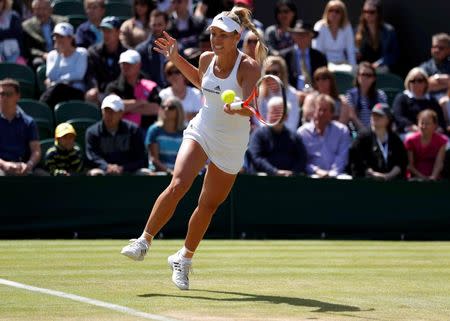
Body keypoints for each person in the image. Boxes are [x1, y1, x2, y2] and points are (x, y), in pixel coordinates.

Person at [121, 7, 266, 290]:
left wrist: (238, 108)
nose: (215, 40)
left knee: (207, 205)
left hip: (232, 143)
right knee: (179, 183)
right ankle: (143, 241)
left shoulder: (249, 67)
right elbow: (203, 84)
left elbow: (252, 108)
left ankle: (183, 259)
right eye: (213, 34)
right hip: (203, 129)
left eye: (222, 36)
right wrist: (175, 58)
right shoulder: (205, 58)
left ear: (236, 37)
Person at [85, 94, 149, 176]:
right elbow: (92, 156)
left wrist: (123, 168)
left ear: (121, 113)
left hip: (129, 172)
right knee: (95, 174)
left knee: (145, 173)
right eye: (106, 111)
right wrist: (106, 167)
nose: (109, 115)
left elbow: (140, 158)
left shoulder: (134, 130)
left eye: (112, 112)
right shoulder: (92, 132)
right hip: (102, 171)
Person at [247, 96, 306, 176]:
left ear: (286, 116)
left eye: (278, 113)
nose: (275, 116)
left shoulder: (294, 137)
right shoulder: (258, 135)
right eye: (273, 112)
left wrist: (293, 172)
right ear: (267, 114)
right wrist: (274, 172)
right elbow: (255, 157)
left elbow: (302, 159)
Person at [297, 94, 351, 178]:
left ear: (332, 113)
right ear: (314, 111)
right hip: (312, 176)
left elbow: (342, 157)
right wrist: (317, 171)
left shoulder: (342, 131)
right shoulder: (302, 132)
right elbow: (302, 160)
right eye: (319, 110)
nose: (321, 113)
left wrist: (332, 174)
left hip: (336, 176)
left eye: (325, 110)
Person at [105, 49, 161, 130]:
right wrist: (141, 102)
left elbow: (156, 108)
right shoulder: (113, 87)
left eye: (129, 64)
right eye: (123, 64)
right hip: (121, 131)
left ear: (139, 65)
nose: (125, 67)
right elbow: (113, 107)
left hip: (147, 130)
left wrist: (126, 108)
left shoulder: (149, 85)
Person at [349, 103, 407, 180]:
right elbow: (357, 160)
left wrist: (388, 176)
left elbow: (401, 162)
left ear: (388, 119)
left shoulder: (395, 139)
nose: (375, 117)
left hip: (392, 183)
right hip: (366, 183)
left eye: (379, 115)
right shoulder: (362, 137)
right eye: (373, 115)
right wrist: (372, 174)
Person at [39, 22, 88, 109]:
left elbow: (78, 74)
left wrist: (59, 80)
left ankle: (40, 108)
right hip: (56, 91)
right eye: (56, 37)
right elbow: (51, 75)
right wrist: (59, 55)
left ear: (71, 38)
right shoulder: (52, 55)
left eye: (62, 37)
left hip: (75, 91)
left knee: (58, 88)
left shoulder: (81, 53)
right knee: (57, 89)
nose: (58, 40)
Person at [0, 78, 41, 176]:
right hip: (1, 167)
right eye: (1, 94)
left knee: (43, 177)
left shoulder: (28, 122)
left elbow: (36, 150)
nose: (4, 98)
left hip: (22, 166)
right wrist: (4, 164)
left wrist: (29, 165)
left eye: (9, 94)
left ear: (18, 96)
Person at [85, 16, 127, 105]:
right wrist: (94, 87)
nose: (105, 34)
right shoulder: (93, 52)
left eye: (109, 31)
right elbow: (90, 75)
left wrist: (115, 91)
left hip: (120, 94)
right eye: (103, 31)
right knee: (90, 95)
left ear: (118, 32)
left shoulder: (126, 53)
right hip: (100, 93)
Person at [392, 67, 446, 136]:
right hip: (409, 134)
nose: (416, 83)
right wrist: (415, 128)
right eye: (413, 81)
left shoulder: (432, 100)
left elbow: (440, 120)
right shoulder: (402, 98)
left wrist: (435, 130)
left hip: (431, 134)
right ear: (408, 82)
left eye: (420, 80)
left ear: (426, 83)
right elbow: (399, 117)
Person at [258, 55, 301, 132]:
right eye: (267, 72)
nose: (271, 76)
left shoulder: (292, 94)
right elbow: (259, 121)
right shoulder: (259, 94)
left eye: (275, 72)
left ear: (282, 74)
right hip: (265, 136)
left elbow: (292, 124)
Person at [354, 0, 399, 73]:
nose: (368, 15)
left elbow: (394, 54)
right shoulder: (357, 31)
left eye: (371, 12)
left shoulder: (388, 31)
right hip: (361, 68)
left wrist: (379, 63)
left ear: (378, 13)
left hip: (380, 68)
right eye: (365, 11)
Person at [282, 20, 327, 91]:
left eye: (305, 34)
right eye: (298, 34)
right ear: (293, 36)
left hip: (315, 92)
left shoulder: (320, 57)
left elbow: (324, 78)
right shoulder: (286, 56)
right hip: (293, 93)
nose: (302, 37)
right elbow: (283, 79)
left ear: (311, 36)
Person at [22, 0, 67, 69]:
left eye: (44, 9)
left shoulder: (62, 22)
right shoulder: (27, 26)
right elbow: (29, 48)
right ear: (33, 11)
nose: (40, 12)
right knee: (37, 62)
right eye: (37, 9)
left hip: (62, 52)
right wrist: (43, 54)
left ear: (50, 10)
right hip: (42, 56)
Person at [404, 109, 448, 180]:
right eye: (421, 123)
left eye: (427, 123)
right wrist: (422, 178)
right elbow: (410, 165)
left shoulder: (442, 140)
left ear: (435, 125)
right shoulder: (410, 140)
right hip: (414, 179)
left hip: (435, 179)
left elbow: (439, 162)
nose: (424, 126)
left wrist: (433, 177)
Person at [313, 0, 356, 72]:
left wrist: (354, 69)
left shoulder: (347, 27)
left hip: (343, 65)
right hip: (325, 64)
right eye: (331, 10)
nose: (334, 13)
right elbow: (318, 51)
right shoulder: (320, 26)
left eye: (337, 11)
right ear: (327, 12)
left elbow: (350, 50)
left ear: (343, 14)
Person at [145, 97, 185, 174]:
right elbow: (154, 159)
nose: (166, 110)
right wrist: (169, 171)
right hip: (159, 172)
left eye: (171, 108)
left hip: (181, 172)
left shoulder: (185, 131)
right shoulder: (154, 130)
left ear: (178, 111)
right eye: (163, 107)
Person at [345, 61, 388, 132]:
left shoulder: (380, 95)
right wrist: (365, 131)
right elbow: (352, 116)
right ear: (358, 76)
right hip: (358, 132)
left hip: (377, 130)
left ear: (373, 78)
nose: (365, 77)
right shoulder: (351, 94)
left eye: (369, 75)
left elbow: (383, 114)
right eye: (362, 74)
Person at [159, 60, 202, 124]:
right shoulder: (163, 94)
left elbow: (200, 116)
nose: (173, 75)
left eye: (177, 72)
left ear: (184, 74)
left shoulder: (196, 93)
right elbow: (162, 117)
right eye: (169, 73)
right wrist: (188, 115)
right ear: (167, 77)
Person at [135, 9, 169, 88]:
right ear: (149, 25)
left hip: (173, 90)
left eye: (160, 25)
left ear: (166, 24)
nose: (156, 28)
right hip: (151, 93)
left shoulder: (176, 48)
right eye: (154, 25)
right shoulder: (141, 51)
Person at [419, 33, 450, 99]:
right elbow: (421, 86)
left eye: (441, 48)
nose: (436, 50)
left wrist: (435, 81)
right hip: (429, 102)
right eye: (434, 47)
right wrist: (444, 80)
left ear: (448, 50)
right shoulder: (425, 67)